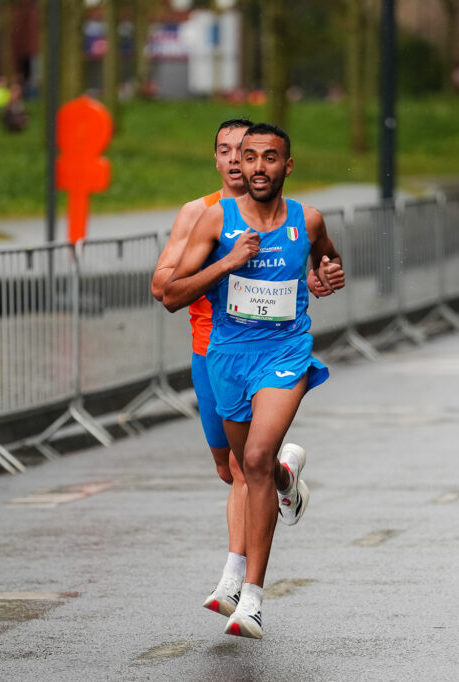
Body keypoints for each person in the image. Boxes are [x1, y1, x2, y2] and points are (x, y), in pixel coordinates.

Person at [164, 122, 345, 638]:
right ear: (236, 165)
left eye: (270, 158)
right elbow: (172, 295)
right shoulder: (213, 222)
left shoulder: (306, 220)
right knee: (243, 468)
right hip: (227, 355)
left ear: (287, 166)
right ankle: (287, 476)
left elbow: (328, 260)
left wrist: (327, 276)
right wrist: (228, 262)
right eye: (249, 158)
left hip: (285, 352)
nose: (258, 167)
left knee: (258, 460)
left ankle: (253, 599)